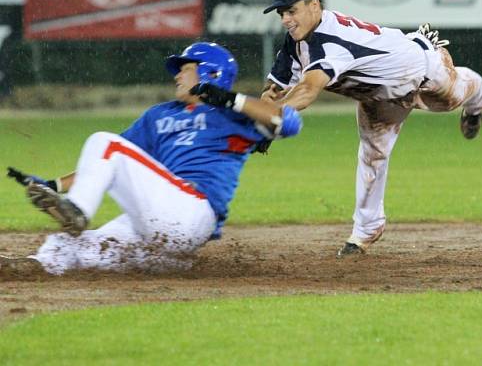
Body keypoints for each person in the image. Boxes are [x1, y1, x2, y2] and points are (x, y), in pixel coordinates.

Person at [2, 42, 302, 275]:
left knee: (103, 141)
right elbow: (107, 164)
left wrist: (231, 99)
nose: (178, 75)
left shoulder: (234, 115)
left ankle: (78, 212)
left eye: (186, 68)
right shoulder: (160, 114)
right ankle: (34, 265)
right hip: (158, 222)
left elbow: (288, 124)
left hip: (194, 211)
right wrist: (54, 185)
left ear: (211, 73)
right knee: (77, 246)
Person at [260, 0, 482, 257]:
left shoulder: (330, 41)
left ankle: (478, 99)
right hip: (377, 97)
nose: (285, 19)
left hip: (422, 70)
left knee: (457, 95)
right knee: (372, 155)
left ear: (315, 5)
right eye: (281, 13)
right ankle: (366, 230)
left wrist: (270, 118)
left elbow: (307, 91)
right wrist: (264, 113)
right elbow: (274, 89)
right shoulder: (296, 42)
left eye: (291, 10)